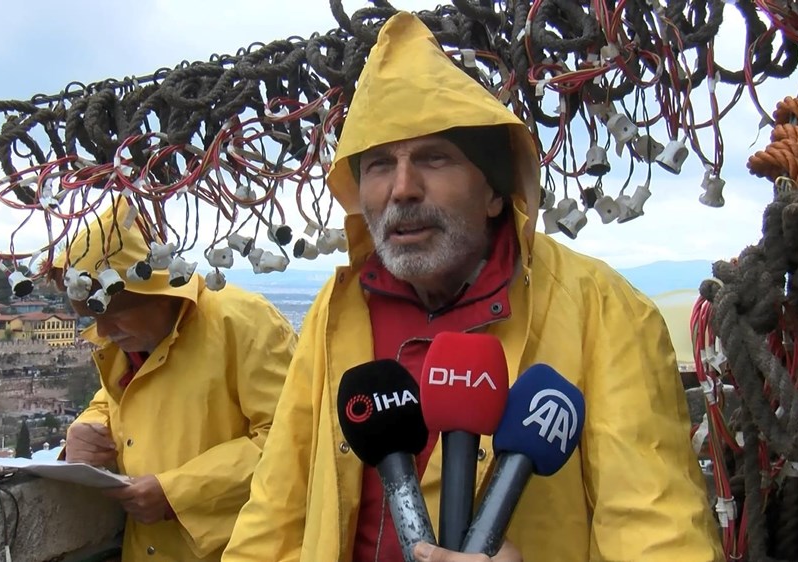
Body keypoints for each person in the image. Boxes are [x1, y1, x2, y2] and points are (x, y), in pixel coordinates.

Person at [223, 11, 723, 562]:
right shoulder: (336, 309)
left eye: (435, 157)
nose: (403, 189)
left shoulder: (604, 311)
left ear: (492, 193)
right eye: (380, 164)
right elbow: (275, 510)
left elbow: (659, 536)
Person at [53, 198, 297, 561]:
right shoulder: (133, 339)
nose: (102, 330)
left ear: (160, 293)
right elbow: (116, 399)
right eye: (90, 316)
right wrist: (87, 427)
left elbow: (290, 440)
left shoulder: (245, 322)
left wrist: (176, 492)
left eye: (113, 315)